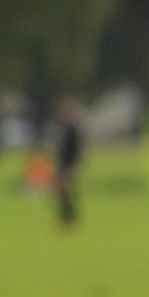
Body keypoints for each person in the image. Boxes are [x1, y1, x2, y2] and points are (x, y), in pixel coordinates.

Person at [54, 94, 84, 226]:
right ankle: (67, 216)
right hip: (62, 163)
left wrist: (71, 166)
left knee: (64, 190)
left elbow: (76, 150)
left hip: (68, 164)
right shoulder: (62, 127)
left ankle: (69, 217)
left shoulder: (72, 128)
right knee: (61, 191)